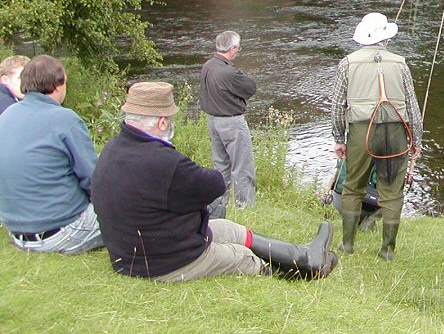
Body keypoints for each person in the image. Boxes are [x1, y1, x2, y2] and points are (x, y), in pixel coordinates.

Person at [92, 81, 337, 282]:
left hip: (129, 255)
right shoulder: (164, 161)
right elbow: (214, 184)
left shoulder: (111, 150)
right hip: (162, 263)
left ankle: (305, 255)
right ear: (162, 122)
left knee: (229, 229)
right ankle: (300, 274)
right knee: (240, 256)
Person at [330, 12, 422, 261]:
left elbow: (338, 105)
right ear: (385, 38)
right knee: (392, 191)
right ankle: (387, 251)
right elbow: (412, 107)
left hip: (361, 132)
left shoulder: (347, 63)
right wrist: (416, 140)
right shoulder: (400, 63)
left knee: (352, 187)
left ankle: (347, 245)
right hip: (395, 132)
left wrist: (339, 138)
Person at [0, 55, 104, 254]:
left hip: (18, 232)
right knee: (128, 209)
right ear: (58, 86)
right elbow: (94, 181)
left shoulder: (6, 116)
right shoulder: (65, 120)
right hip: (60, 231)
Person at [200, 30, 258, 217]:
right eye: (238, 48)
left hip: (213, 121)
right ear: (232, 49)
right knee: (242, 167)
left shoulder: (208, 66)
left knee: (220, 166)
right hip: (232, 123)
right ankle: (245, 208)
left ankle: (218, 205)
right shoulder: (228, 72)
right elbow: (250, 88)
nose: (238, 51)